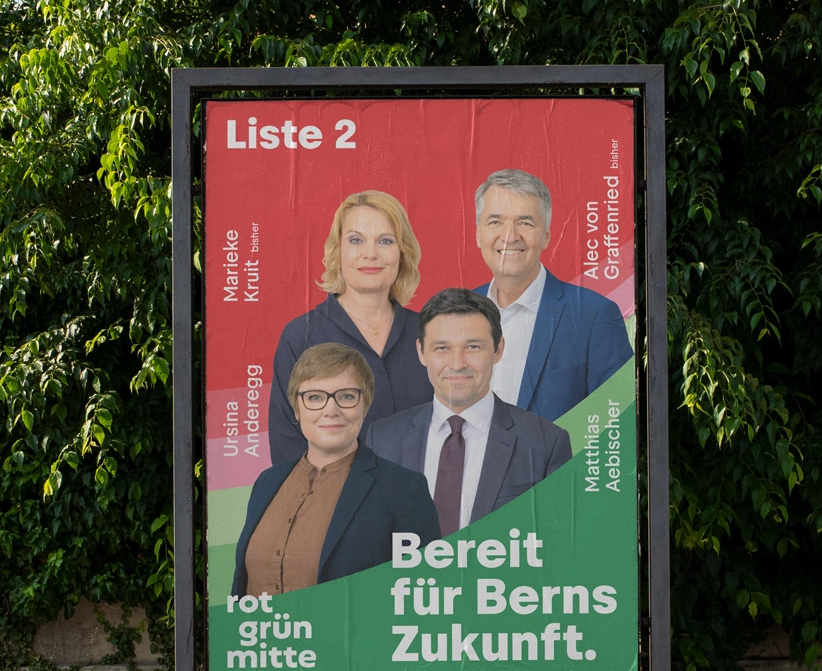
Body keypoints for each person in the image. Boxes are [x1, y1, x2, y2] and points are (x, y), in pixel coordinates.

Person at [233, 343, 439, 596]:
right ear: (296, 408)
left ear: (366, 404)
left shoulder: (404, 489)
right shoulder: (268, 481)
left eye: (347, 396)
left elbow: (423, 595)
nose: (331, 410)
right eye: (315, 397)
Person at [368, 290, 572, 536]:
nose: (457, 363)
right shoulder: (381, 440)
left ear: (498, 350)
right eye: (442, 348)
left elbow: (557, 545)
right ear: (421, 352)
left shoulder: (546, 444)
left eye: (473, 346)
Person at [269, 191, 433, 464]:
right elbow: (287, 446)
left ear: (402, 253)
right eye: (356, 240)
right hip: (333, 504)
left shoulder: (431, 334)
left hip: (426, 504)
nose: (370, 254)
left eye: (385, 241)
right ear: (338, 251)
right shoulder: (302, 336)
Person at [472, 169, 633, 420]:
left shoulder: (594, 316)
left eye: (525, 222)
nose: (510, 236)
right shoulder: (456, 314)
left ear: (546, 235)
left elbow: (614, 427)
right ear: (478, 234)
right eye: (495, 222)